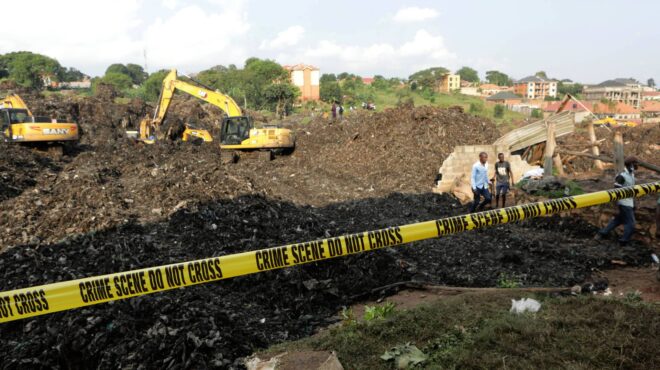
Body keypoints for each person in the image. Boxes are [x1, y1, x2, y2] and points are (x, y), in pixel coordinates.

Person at [595, 156, 639, 246]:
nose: (637, 165)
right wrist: (616, 204)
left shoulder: (632, 175)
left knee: (618, 220)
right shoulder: (622, 176)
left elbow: (631, 190)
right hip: (624, 203)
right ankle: (623, 241)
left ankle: (602, 233)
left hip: (629, 202)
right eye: (635, 163)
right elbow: (616, 190)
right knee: (631, 223)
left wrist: (634, 202)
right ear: (631, 165)